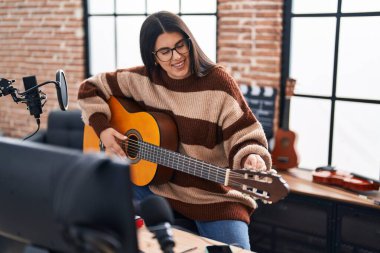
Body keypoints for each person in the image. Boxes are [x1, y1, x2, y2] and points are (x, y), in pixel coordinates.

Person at [78, 11, 272, 250]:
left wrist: (251, 156)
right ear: (153, 56)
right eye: (165, 51)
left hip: (214, 197)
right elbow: (89, 88)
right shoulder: (142, 79)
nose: (176, 57)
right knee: (104, 229)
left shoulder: (218, 82)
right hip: (156, 190)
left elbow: (245, 134)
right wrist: (103, 130)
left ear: (190, 43)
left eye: (180, 46)